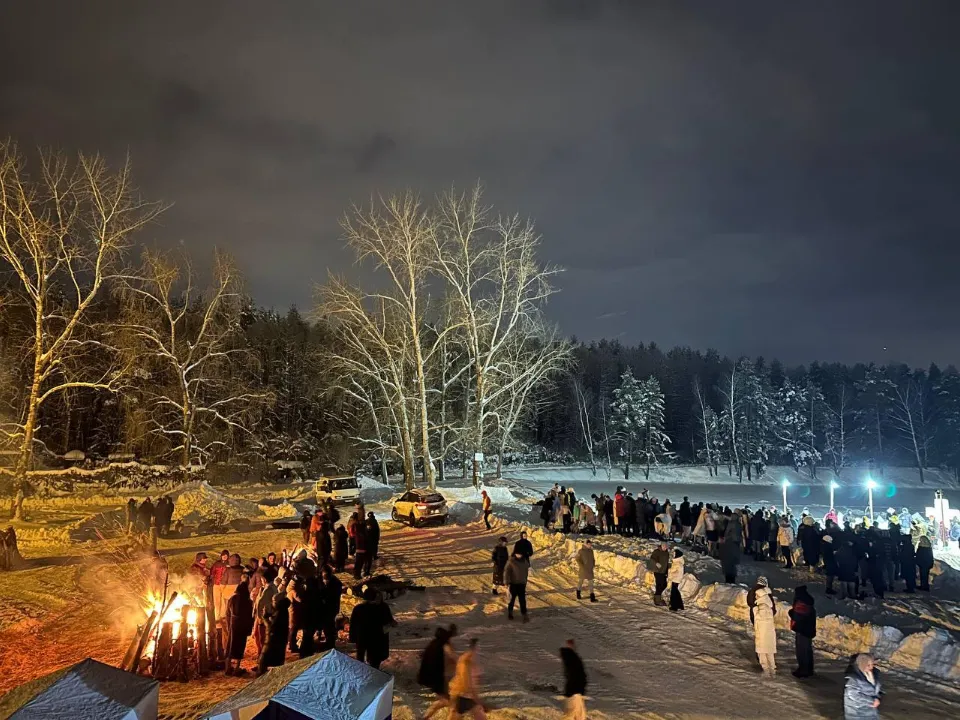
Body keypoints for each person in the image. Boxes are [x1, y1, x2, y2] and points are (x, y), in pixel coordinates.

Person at [420, 624, 459, 720]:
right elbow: (454, 657)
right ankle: (425, 717)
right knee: (448, 702)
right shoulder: (443, 645)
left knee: (444, 700)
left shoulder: (434, 643)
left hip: (431, 676)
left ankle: (425, 717)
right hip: (436, 677)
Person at [349, 587, 395, 669]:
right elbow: (353, 624)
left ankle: (372, 671)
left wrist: (391, 623)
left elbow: (389, 619)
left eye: (379, 597)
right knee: (362, 658)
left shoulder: (383, 607)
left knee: (374, 660)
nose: (379, 599)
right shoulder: (360, 609)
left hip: (374, 638)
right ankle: (362, 671)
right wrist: (353, 638)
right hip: (366, 637)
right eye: (377, 597)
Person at [448, 638, 486, 720]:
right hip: (462, 696)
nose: (480, 648)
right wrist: (478, 700)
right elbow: (468, 684)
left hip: (463, 696)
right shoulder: (467, 661)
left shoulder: (469, 659)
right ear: (475, 647)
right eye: (479, 646)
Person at [256, 592, 291, 676]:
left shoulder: (280, 612)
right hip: (279, 640)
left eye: (274, 601)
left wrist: (265, 618)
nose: (273, 603)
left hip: (273, 641)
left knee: (263, 660)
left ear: (279, 602)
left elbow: (271, 627)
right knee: (277, 660)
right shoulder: (282, 610)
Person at [225, 579, 254, 675]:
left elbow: (227, 613)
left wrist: (229, 625)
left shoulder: (232, 599)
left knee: (230, 645)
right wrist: (249, 628)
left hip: (234, 624)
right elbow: (250, 616)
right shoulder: (248, 601)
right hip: (243, 625)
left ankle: (227, 668)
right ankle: (236, 668)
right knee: (240, 646)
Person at [788, 584, 816, 678]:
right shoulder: (807, 602)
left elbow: (797, 616)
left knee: (802, 651)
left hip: (802, 630)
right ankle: (809, 669)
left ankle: (803, 670)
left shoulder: (801, 604)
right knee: (807, 650)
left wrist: (791, 613)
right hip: (808, 630)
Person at [752, 576, 777, 677]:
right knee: (770, 651)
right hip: (769, 633)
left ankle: (766, 669)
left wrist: (754, 611)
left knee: (762, 651)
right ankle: (773, 668)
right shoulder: (769, 607)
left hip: (761, 633)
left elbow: (758, 619)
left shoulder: (759, 608)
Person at [843, 653, 882, 719]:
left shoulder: (874, 674)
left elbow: (876, 689)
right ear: (862, 664)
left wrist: (877, 698)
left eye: (872, 664)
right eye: (868, 665)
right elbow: (853, 694)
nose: (871, 667)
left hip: (870, 710)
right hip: (857, 711)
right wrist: (872, 701)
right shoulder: (854, 678)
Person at [559, 639, 587, 720]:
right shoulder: (572, 657)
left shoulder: (572, 657)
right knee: (572, 716)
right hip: (573, 693)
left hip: (575, 693)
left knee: (579, 716)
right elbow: (577, 675)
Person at [253, 567, 278, 656]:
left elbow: (260, 603)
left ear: (264, 579)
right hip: (270, 616)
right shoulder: (273, 587)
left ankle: (262, 659)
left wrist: (259, 617)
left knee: (262, 639)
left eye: (261, 579)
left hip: (265, 617)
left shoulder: (268, 589)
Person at [319, 565, 343, 649]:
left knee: (329, 625)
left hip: (331, 608)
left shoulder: (336, 584)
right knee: (324, 624)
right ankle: (325, 639)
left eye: (327, 578)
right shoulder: (319, 580)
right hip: (323, 608)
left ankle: (330, 643)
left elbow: (333, 596)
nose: (325, 580)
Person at [504, 550, 530, 622]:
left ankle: (524, 613)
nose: (519, 555)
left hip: (522, 583)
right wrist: (507, 582)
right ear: (515, 554)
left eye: (520, 554)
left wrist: (525, 580)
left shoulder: (525, 562)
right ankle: (510, 612)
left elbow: (526, 571)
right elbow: (507, 573)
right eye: (517, 553)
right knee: (512, 599)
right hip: (513, 584)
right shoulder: (511, 561)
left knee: (522, 600)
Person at [649, 540, 670, 606]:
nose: (665, 548)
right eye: (664, 546)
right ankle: (657, 600)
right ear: (661, 546)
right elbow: (652, 559)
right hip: (658, 571)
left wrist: (667, 571)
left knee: (664, 584)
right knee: (659, 585)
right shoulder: (657, 552)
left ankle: (657, 596)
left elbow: (666, 563)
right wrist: (656, 563)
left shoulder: (666, 553)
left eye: (666, 546)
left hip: (663, 572)